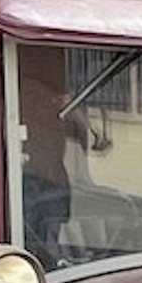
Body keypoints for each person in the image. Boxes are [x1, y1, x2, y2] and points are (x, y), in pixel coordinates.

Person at [18, 46, 92, 263]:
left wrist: (71, 107)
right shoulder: (24, 93)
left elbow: (90, 140)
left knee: (51, 243)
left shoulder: (60, 102)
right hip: (28, 184)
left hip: (54, 183)